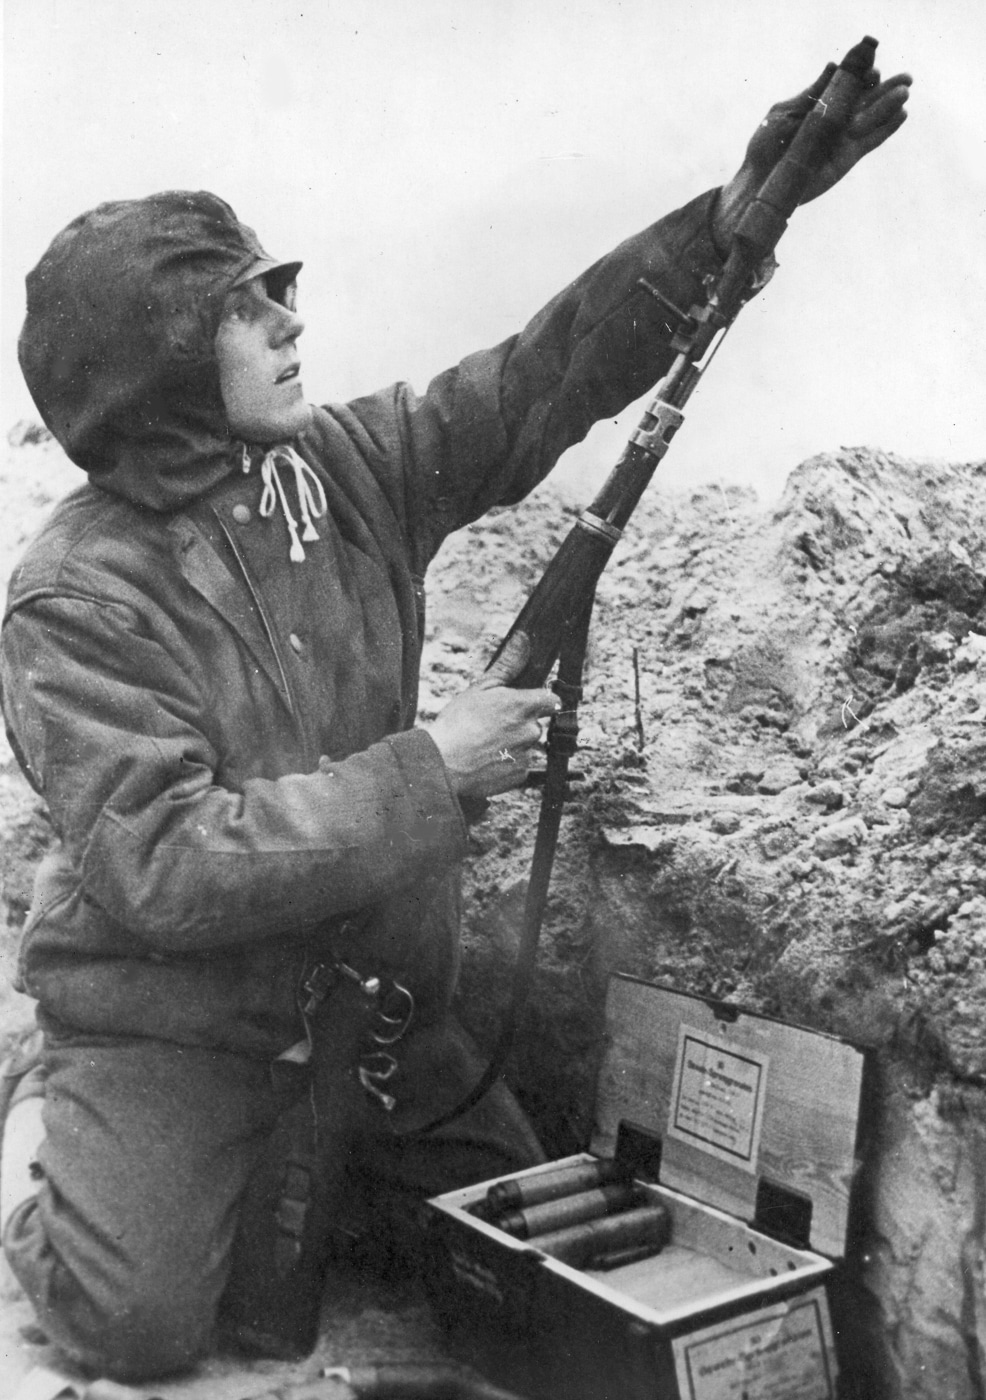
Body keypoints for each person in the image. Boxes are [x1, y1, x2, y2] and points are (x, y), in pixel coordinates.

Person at [0, 59, 910, 1383]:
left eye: (284, 293)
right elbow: (162, 862)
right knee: (132, 1328)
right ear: (165, 370)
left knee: (538, 1259)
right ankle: (72, 1166)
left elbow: (530, 382)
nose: (293, 326)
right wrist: (431, 771)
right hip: (176, 1028)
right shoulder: (76, 592)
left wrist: (724, 228)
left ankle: (291, 1183)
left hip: (371, 1015)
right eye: (255, 312)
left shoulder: (344, 470)